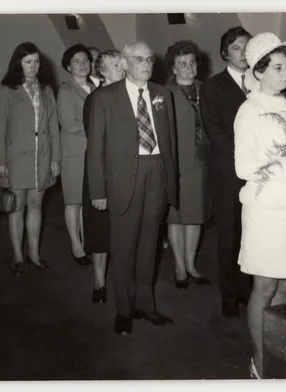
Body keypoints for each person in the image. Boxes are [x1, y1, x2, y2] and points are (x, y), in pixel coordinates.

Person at [234, 32, 286, 379]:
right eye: (279, 67)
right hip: (267, 210)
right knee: (265, 287)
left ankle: (279, 346)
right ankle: (260, 358)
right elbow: (243, 167)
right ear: (260, 71)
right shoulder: (249, 110)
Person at [86, 41, 178, 335]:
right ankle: (123, 309)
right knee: (123, 247)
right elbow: (95, 148)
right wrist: (98, 191)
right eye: (140, 59)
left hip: (156, 175)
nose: (147, 65)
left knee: (149, 244)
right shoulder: (105, 97)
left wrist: (170, 183)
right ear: (124, 63)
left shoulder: (163, 94)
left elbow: (169, 142)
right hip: (124, 178)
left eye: (150, 59)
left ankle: (145, 305)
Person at [0, 42, 61, 275]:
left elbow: (53, 126)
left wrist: (56, 158)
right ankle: (18, 256)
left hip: (41, 156)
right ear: (18, 63)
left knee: (36, 205)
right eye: (27, 62)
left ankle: (34, 254)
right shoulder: (6, 90)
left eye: (36, 61)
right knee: (17, 207)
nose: (33, 66)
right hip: (16, 158)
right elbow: (0, 129)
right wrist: (0, 162)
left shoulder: (46, 89)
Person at [199, 26, 253, 318]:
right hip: (228, 171)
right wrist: (248, 155)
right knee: (229, 235)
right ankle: (229, 296)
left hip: (259, 173)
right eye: (236, 48)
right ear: (224, 53)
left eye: (247, 47)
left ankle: (247, 290)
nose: (243, 53)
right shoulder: (212, 86)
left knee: (252, 233)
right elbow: (215, 131)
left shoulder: (260, 82)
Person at [164, 40, 211, 289]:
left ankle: (191, 264)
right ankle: (179, 266)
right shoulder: (164, 93)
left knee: (195, 216)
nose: (188, 68)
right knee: (176, 217)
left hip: (201, 161)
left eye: (192, 62)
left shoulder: (206, 89)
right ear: (173, 68)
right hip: (176, 162)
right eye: (182, 64)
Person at [82, 50, 126, 303]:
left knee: (122, 229)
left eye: (122, 64)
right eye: (115, 65)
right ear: (102, 71)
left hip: (124, 173)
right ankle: (99, 281)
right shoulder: (96, 98)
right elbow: (95, 141)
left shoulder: (130, 95)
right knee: (100, 229)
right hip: (101, 170)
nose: (121, 68)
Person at [57, 44, 96, 266]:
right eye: (77, 61)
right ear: (68, 66)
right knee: (73, 202)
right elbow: (70, 124)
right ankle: (76, 246)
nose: (82, 65)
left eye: (86, 60)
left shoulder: (93, 86)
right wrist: (98, 129)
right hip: (74, 153)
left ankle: (87, 242)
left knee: (87, 202)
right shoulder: (66, 91)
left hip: (92, 152)